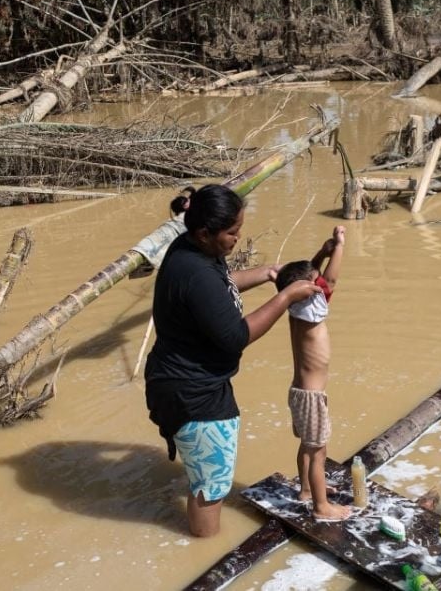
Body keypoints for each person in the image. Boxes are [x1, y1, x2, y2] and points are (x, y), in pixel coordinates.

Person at [144, 184, 320, 538]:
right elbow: (237, 336)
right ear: (205, 232)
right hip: (193, 390)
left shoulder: (193, 250)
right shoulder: (194, 272)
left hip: (180, 378)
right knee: (212, 487)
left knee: (206, 476)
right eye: (232, 232)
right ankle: (203, 548)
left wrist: (268, 274)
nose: (238, 238)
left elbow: (220, 285)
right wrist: (285, 297)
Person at [274, 225, 351, 522]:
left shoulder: (299, 304)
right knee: (318, 452)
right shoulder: (310, 304)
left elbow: (312, 275)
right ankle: (321, 507)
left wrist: (321, 252)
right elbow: (330, 278)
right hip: (312, 395)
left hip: (301, 392)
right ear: (309, 290)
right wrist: (340, 245)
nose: (318, 283)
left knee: (309, 446)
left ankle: (307, 490)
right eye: (313, 282)